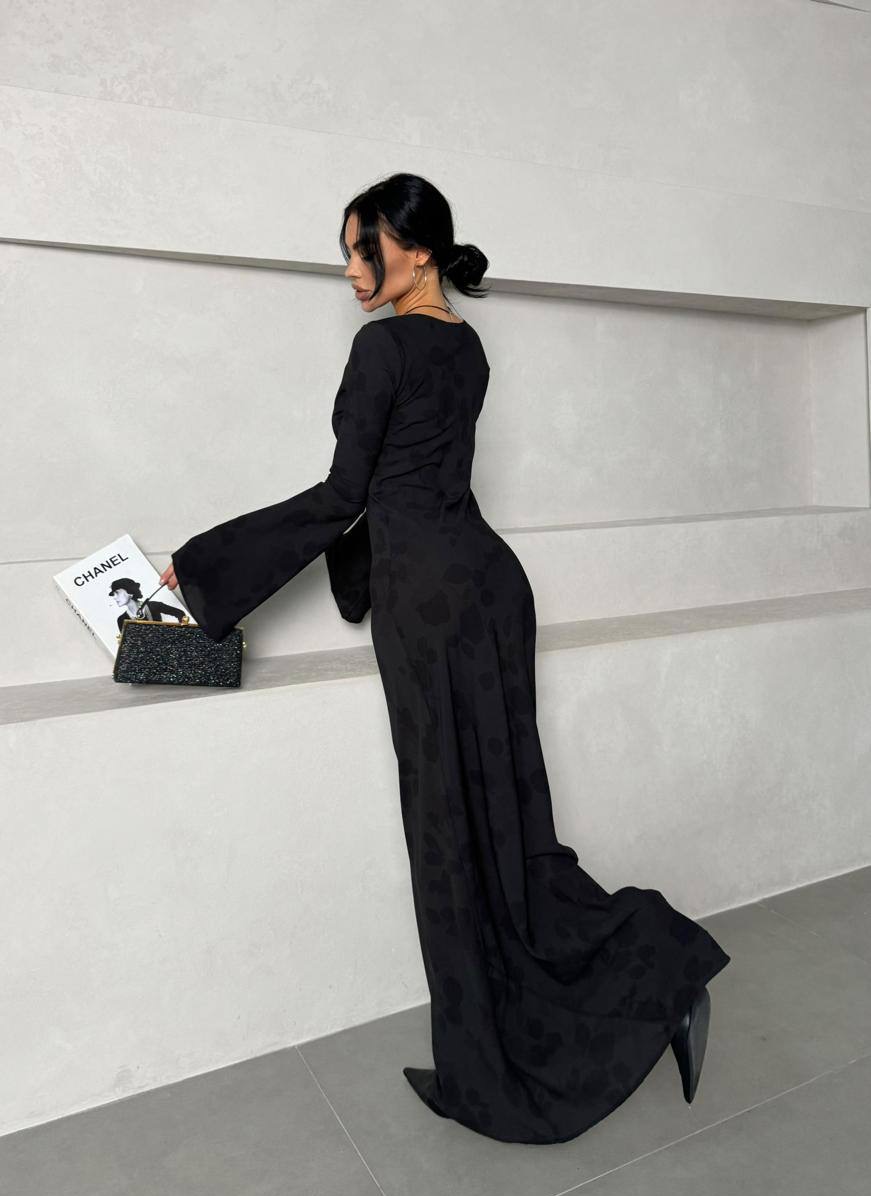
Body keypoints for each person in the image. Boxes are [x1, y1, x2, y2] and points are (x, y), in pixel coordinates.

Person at [160, 172, 730, 1144]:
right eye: (346, 252)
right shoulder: (465, 345)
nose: (352, 270)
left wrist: (204, 567)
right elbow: (410, 484)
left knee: (447, 834)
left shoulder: (382, 346)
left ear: (416, 249)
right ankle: (651, 978)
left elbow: (345, 493)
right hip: (490, 589)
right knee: (510, 825)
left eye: (364, 249)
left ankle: (500, 1064)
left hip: (429, 606)